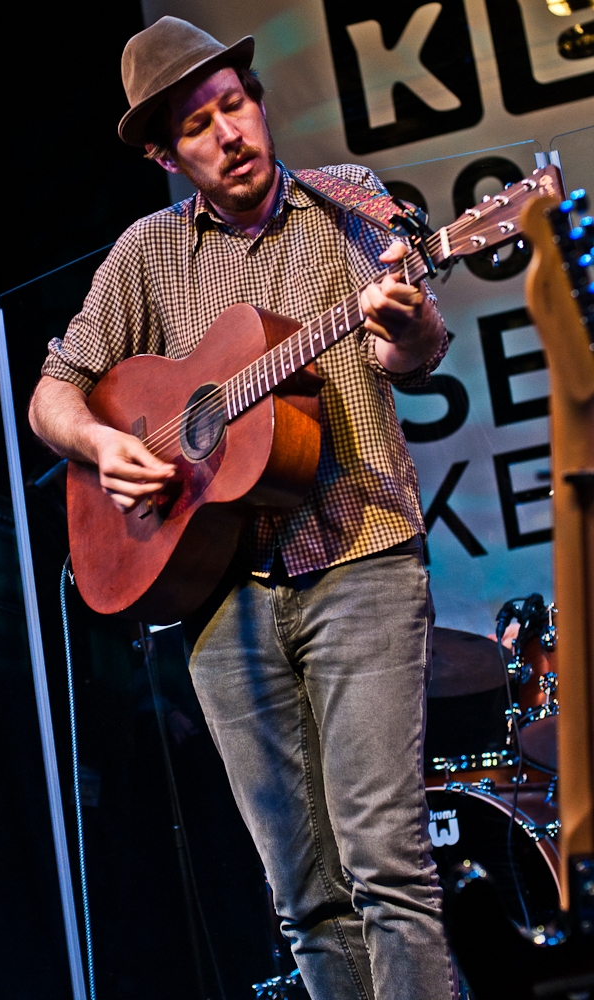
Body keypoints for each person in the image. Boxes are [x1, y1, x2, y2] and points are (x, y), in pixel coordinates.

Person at [29, 16, 455, 1000]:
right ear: (165, 153)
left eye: (237, 104)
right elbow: (54, 392)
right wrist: (104, 444)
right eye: (199, 123)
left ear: (259, 105)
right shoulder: (146, 257)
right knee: (303, 897)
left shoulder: (347, 207)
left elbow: (407, 352)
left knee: (384, 866)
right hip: (222, 595)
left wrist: (408, 327)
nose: (230, 131)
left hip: (359, 558)